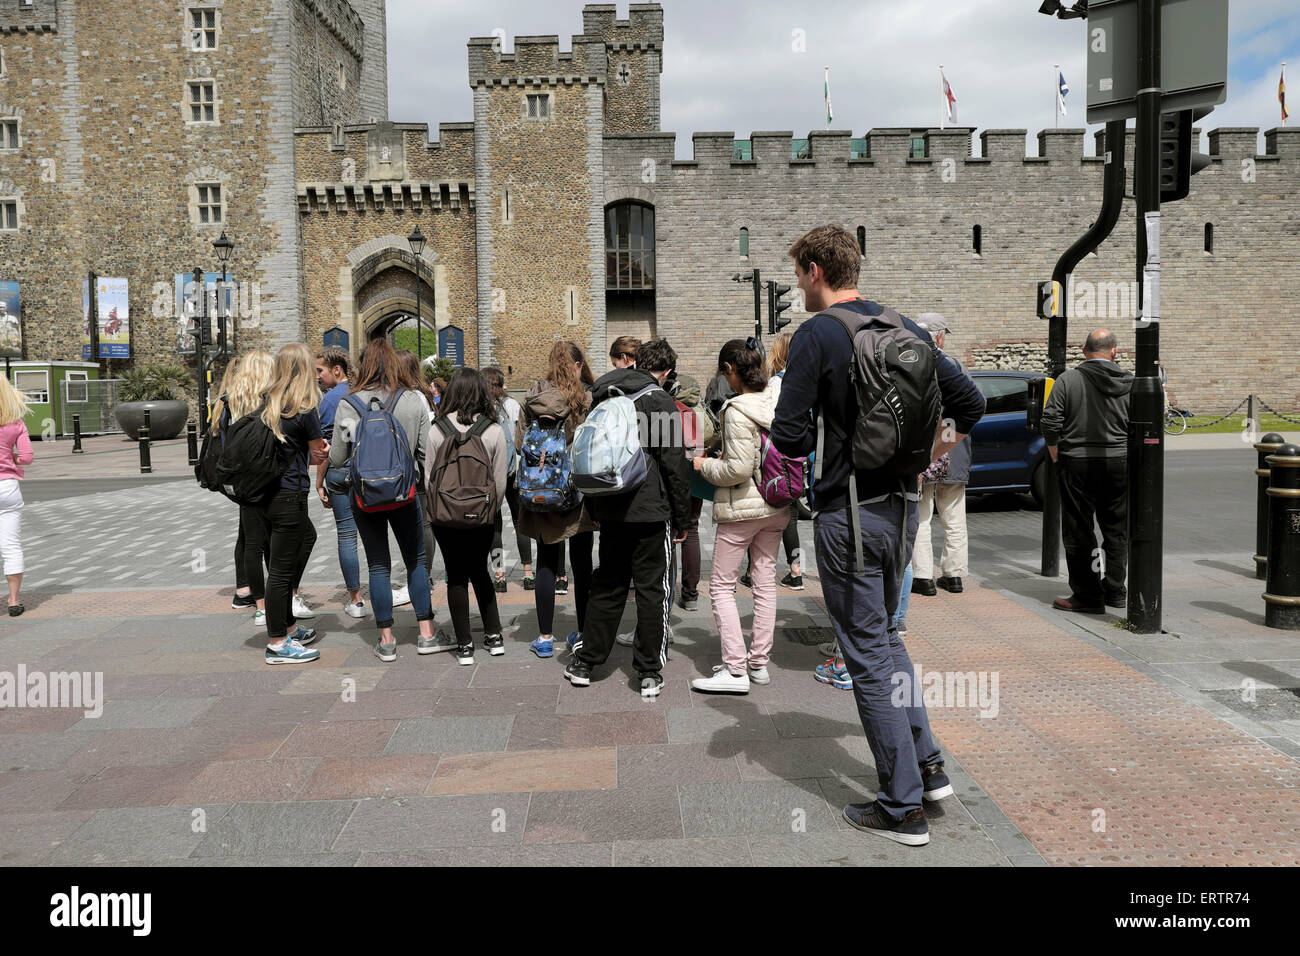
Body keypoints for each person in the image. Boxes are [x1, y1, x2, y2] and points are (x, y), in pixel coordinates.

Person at [771, 224, 985, 846]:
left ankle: (901, 809)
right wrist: (926, 455)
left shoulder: (817, 333)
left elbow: (787, 436)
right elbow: (969, 405)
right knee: (886, 641)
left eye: (799, 274)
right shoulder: (902, 326)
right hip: (901, 508)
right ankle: (928, 767)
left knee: (865, 655)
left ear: (815, 271)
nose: (800, 286)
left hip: (850, 515)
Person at [564, 338, 692, 699]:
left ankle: (586, 662)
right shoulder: (659, 401)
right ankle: (648, 670)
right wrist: (683, 518)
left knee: (609, 583)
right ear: (664, 371)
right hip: (650, 510)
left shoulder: (607, 394)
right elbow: (673, 464)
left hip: (611, 505)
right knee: (654, 590)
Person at [328, 339, 441, 661]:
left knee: (378, 565)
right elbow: (424, 453)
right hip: (405, 494)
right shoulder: (410, 400)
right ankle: (426, 634)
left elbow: (337, 458)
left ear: (362, 366)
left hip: (364, 496)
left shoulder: (348, 404)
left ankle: (387, 640)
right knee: (416, 560)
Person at [689, 337, 788, 694]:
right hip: (777, 504)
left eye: (724, 374)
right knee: (763, 582)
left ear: (731, 370)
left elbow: (737, 470)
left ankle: (734, 670)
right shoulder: (777, 398)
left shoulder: (736, 409)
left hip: (743, 509)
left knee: (721, 587)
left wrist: (703, 465)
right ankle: (759, 663)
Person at [1041, 328, 1134, 613]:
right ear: (1114, 352)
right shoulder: (1131, 383)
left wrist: (1057, 453)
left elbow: (1050, 420)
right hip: (1118, 462)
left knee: (1080, 530)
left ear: (1084, 350)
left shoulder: (1068, 380)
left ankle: (1087, 593)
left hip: (1076, 463)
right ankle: (1115, 589)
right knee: (1116, 529)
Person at [515, 342, 597, 658]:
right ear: (578, 365)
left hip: (541, 490)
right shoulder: (585, 398)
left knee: (547, 561)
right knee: (581, 561)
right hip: (577, 489)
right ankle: (585, 631)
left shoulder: (534, 397)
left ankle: (545, 637)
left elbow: (521, 443)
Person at [426, 367, 509, 664]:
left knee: (456, 576)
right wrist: (486, 510)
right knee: (480, 571)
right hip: (481, 516)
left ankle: (464, 646)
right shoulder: (493, 430)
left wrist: (443, 508)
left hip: (445, 516)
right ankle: (494, 635)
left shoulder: (437, 430)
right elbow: (499, 483)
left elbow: (429, 479)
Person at [260, 343, 329, 664]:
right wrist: (323, 448)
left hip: (264, 494)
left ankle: (286, 626)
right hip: (290, 493)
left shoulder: (266, 402)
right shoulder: (303, 409)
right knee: (280, 571)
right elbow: (319, 453)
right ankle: (277, 642)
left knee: (296, 548)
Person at [910, 314, 972, 597]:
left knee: (922, 516)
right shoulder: (956, 367)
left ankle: (923, 578)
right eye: (943, 334)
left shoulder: (913, 365)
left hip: (927, 450)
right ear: (937, 336)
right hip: (953, 452)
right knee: (954, 518)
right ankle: (954, 575)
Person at [222, 350, 276, 628]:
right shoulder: (267, 403)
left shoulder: (233, 398)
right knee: (264, 538)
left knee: (248, 535)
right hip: (264, 474)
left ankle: (248, 592)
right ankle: (265, 599)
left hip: (240, 476)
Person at [314, 346, 367, 618]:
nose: (319, 377)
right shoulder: (365, 392)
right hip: (368, 474)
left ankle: (356, 599)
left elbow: (326, 448)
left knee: (347, 535)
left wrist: (319, 480)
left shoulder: (329, 400)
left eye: (320, 371)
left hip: (339, 472)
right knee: (374, 535)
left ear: (337, 370)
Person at [212, 356, 260, 612]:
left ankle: (244, 589)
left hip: (234, 477)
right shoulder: (241, 401)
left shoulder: (227, 399)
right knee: (254, 536)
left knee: (246, 533)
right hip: (248, 477)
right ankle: (254, 593)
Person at [484, 365, 534, 592]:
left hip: (490, 476)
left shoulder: (481, 408)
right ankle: (527, 572)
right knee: (519, 521)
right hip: (513, 472)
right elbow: (520, 438)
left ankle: (500, 575)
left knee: (495, 527)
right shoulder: (512, 405)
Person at [394, 350, 439, 597]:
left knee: (422, 524)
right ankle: (422, 573)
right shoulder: (421, 396)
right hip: (414, 468)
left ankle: (424, 574)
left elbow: (424, 441)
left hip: (415, 470)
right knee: (419, 524)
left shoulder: (414, 397)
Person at [667, 365, 707, 611]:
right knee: (692, 529)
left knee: (670, 536)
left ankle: (667, 596)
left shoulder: (665, 407)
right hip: (695, 470)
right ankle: (691, 595)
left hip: (673, 476)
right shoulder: (693, 405)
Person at [0, 375, 33, 615]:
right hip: (8, 487)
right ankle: (13, 601)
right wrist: (10, 458)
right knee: (11, 546)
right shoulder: (16, 422)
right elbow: (27, 458)